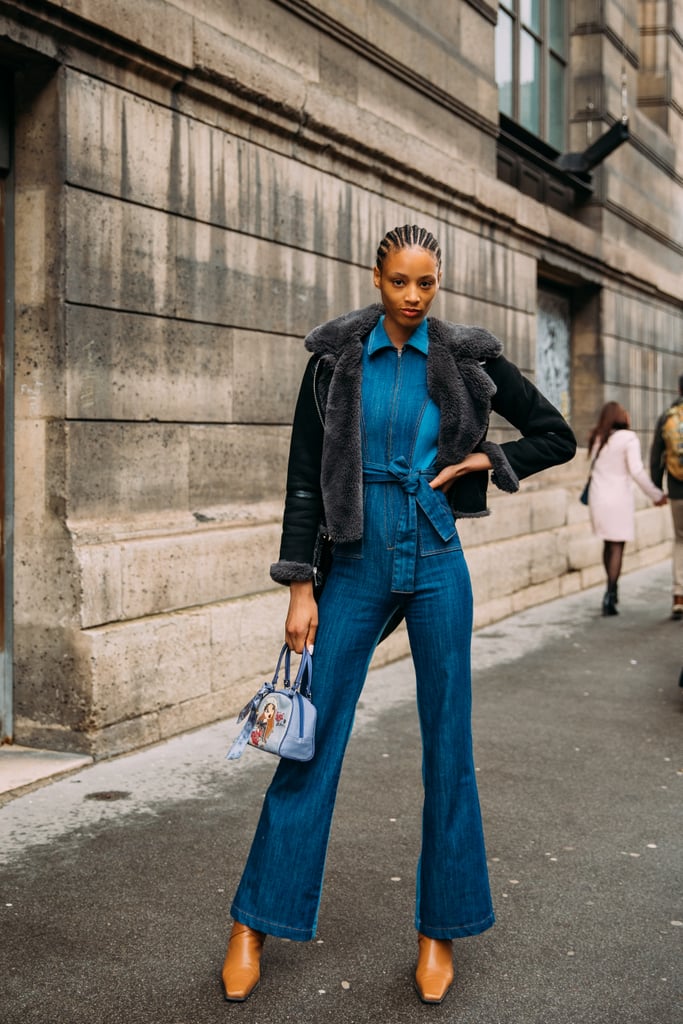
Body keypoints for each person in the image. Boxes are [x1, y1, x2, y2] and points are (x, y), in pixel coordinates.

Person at [221, 224, 577, 1005]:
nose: (412, 298)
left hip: (438, 559)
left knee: (447, 749)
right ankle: (255, 920)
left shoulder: (467, 359)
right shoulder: (333, 362)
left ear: (438, 281)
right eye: (398, 283)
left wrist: (488, 458)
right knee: (311, 741)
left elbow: (557, 434)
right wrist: (299, 587)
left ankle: (437, 932)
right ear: (375, 276)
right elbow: (305, 482)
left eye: (425, 284)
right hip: (353, 563)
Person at [586, 401, 666, 616]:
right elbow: (637, 471)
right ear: (621, 417)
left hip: (598, 497)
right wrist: (656, 494)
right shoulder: (628, 438)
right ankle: (610, 594)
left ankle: (610, 588)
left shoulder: (598, 437)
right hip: (617, 498)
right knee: (617, 546)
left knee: (608, 543)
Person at [649, 374, 683, 619]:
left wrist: (657, 486)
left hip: (678, 490)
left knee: (681, 540)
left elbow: (656, 456)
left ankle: (679, 595)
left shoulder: (668, 416)